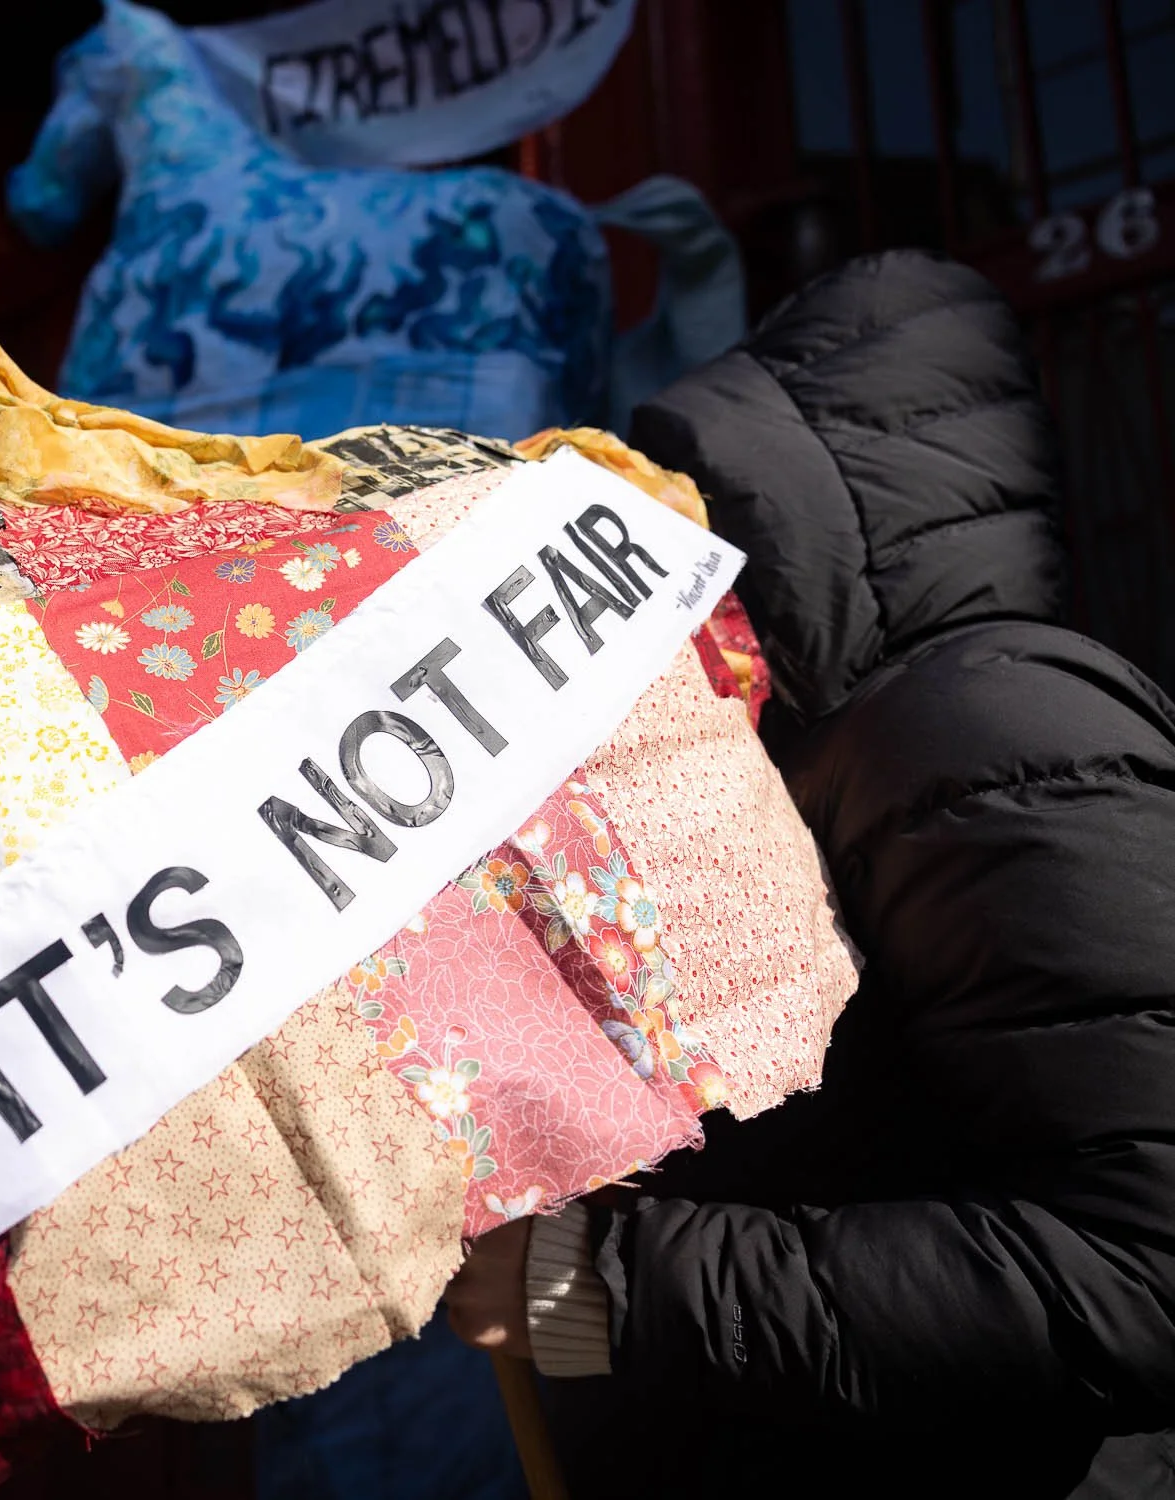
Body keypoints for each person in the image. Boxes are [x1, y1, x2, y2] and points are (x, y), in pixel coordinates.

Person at [442, 252, 1175, 1497]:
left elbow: (1137, 1275)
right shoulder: (800, 747)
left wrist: (606, 1283)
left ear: (786, 506)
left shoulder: (984, 730)